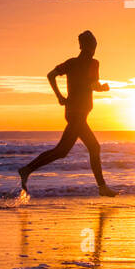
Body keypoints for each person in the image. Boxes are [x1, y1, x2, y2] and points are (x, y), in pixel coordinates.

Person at [19, 30, 117, 196]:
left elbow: (51, 75)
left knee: (63, 151)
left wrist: (60, 97)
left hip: (73, 113)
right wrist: (104, 88)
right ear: (88, 46)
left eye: (93, 44)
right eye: (92, 44)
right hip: (78, 114)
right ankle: (102, 187)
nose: (93, 48)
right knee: (91, 147)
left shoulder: (71, 63)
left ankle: (27, 169)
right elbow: (94, 85)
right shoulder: (93, 63)